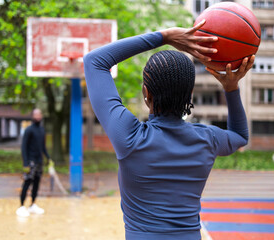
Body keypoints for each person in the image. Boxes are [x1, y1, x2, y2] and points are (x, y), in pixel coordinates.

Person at [84, 19, 254, 240]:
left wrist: (165, 37)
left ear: (147, 94)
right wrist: (230, 88)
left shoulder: (130, 137)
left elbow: (94, 61)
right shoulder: (207, 139)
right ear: (190, 96)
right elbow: (240, 136)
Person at [16, 108, 52, 217]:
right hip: (30, 162)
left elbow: (43, 147)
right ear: (32, 116)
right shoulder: (29, 130)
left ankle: (32, 205)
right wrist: (25, 163)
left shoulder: (41, 130)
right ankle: (21, 206)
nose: (38, 116)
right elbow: (24, 147)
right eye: (36, 114)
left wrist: (48, 158)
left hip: (39, 161)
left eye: (39, 114)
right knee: (27, 183)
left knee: (36, 184)